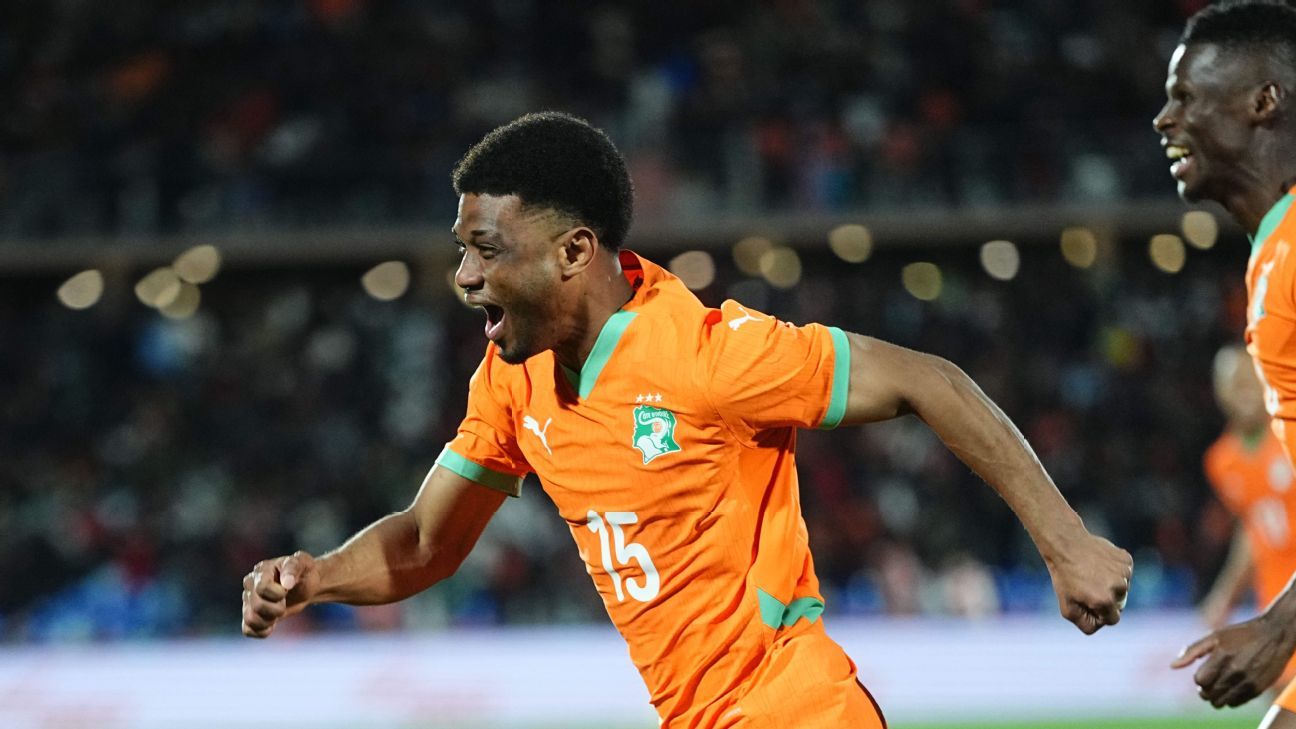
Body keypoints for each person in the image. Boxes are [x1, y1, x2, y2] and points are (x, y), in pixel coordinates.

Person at [241, 111, 1133, 728]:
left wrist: (1066, 543)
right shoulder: (512, 380)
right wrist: (316, 578)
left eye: (485, 250)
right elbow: (425, 542)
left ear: (573, 251)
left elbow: (927, 378)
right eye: (460, 250)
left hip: (794, 711)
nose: (465, 276)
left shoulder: (708, 355)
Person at [1154, 1, 1296, 722]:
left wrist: (1282, 623)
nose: (1164, 119)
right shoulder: (1274, 251)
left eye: (1185, 96)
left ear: (1262, 101)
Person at [1200, 345, 1296, 693]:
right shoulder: (1221, 461)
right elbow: (1252, 532)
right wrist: (1224, 596)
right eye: (1232, 383)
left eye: (1248, 379)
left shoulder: (1290, 434)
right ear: (1219, 392)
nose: (1242, 390)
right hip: (1272, 603)